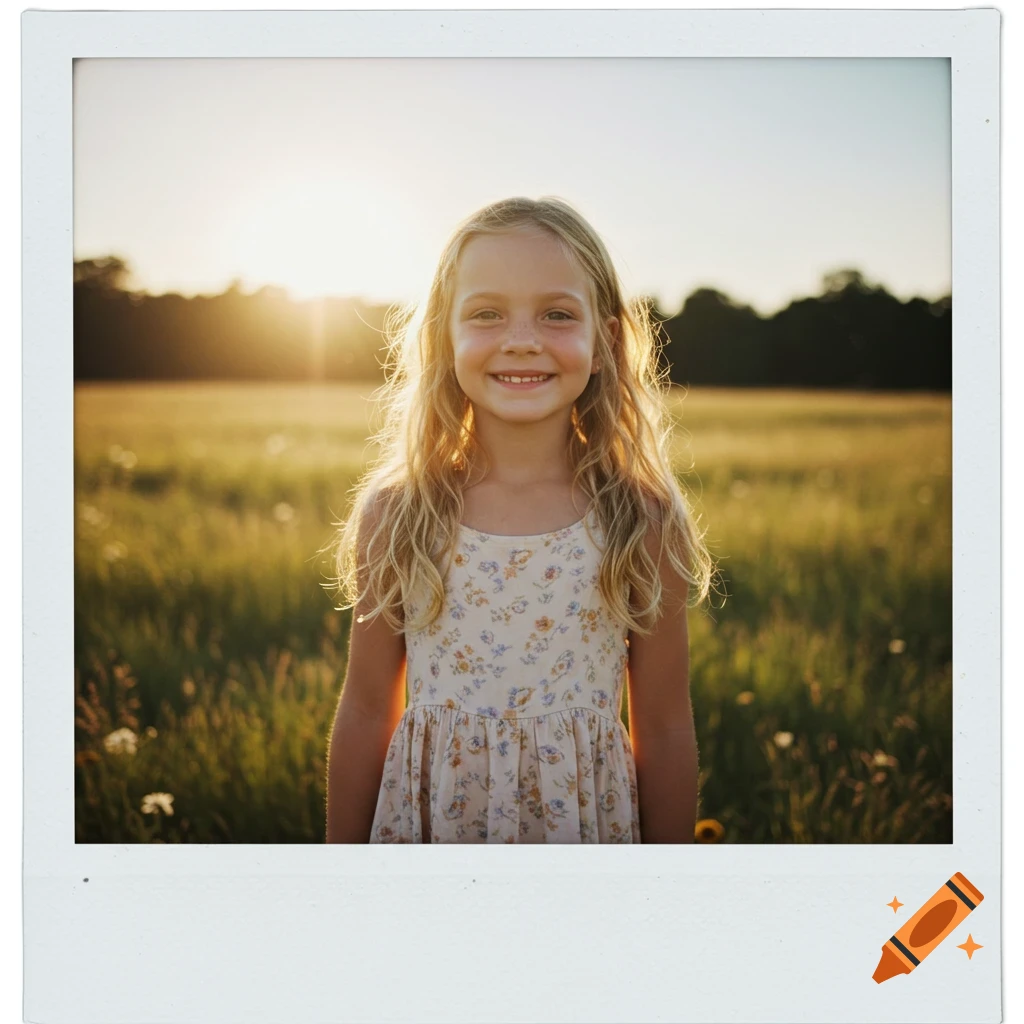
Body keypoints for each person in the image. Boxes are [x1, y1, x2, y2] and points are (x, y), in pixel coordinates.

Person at [324, 196, 719, 843]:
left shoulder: (640, 517)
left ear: (605, 343)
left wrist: (662, 884)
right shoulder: (400, 513)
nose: (522, 340)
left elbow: (669, 726)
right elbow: (367, 709)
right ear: (443, 339)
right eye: (486, 314)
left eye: (557, 314)